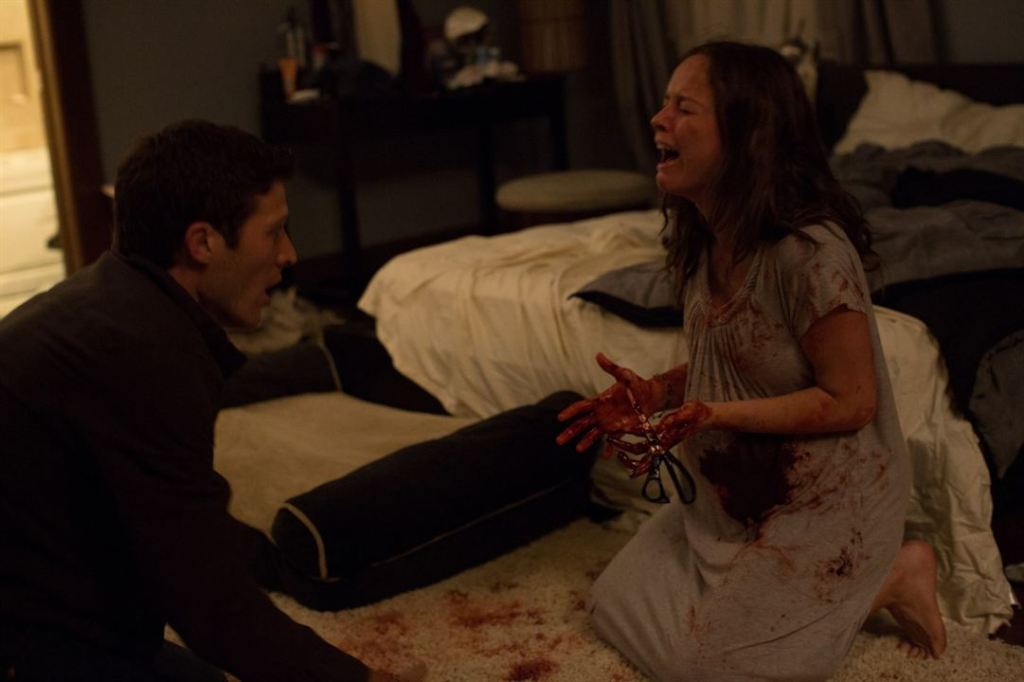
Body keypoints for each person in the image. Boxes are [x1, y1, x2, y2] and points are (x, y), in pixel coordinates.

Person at [556, 42, 947, 681]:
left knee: (705, 670)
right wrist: (656, 392)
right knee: (609, 605)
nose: (658, 120)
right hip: (731, 504)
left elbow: (852, 401)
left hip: (826, 506)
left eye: (684, 108)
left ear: (746, 133)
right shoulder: (703, 240)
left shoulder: (810, 253)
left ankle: (894, 573)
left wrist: (712, 414)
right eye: (664, 104)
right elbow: (742, 364)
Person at [0, 120, 419, 681]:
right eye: (274, 233)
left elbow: (181, 525)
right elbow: (209, 603)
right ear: (203, 243)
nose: (290, 254)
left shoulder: (114, 301)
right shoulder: (142, 355)